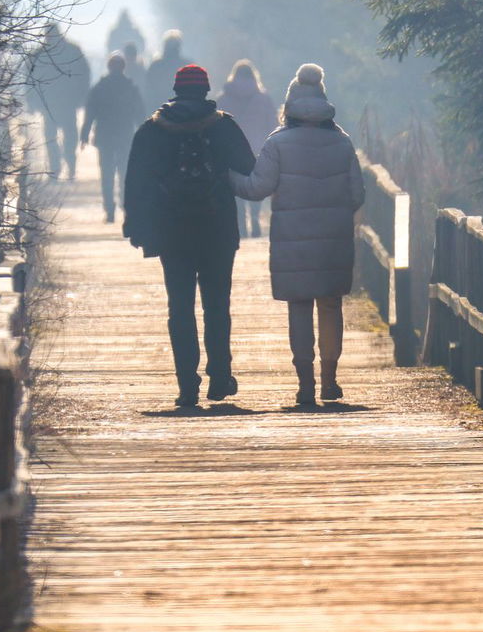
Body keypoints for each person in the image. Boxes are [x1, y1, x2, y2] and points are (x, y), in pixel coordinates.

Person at [229, 64, 364, 408]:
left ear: (288, 106)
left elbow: (257, 187)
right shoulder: (342, 141)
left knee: (300, 306)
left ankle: (305, 383)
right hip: (333, 239)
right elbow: (357, 194)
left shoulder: (278, 142)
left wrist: (226, 177)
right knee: (331, 305)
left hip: (293, 242)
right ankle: (330, 380)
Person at [124, 64, 256, 408]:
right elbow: (248, 165)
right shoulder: (223, 125)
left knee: (179, 307)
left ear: (176, 89)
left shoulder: (152, 130)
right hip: (217, 228)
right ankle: (219, 377)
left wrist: (135, 226)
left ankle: (187, 385)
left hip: (172, 230)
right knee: (217, 305)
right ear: (206, 89)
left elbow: (135, 180)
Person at [80, 52, 145, 223]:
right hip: (125, 136)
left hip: (105, 137)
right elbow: (140, 113)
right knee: (125, 174)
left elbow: (90, 112)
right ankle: (126, 207)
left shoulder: (100, 87)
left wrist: (84, 134)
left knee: (107, 175)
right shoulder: (131, 87)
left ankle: (109, 210)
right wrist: (144, 134)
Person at [216, 60, 279, 237]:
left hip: (231, 152)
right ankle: (255, 217)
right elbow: (273, 126)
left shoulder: (223, 99)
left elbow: (216, 127)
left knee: (235, 188)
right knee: (255, 186)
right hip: (258, 150)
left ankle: (241, 226)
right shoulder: (263, 99)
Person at [26, 23, 91, 179]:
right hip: (62, 103)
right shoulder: (72, 51)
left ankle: (60, 168)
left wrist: (32, 102)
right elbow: (84, 76)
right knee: (63, 138)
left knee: (55, 138)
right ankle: (65, 167)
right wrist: (82, 97)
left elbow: (30, 80)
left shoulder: (39, 54)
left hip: (54, 103)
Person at [143, 30, 193, 105]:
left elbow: (148, 89)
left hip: (160, 107)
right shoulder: (187, 65)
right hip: (182, 108)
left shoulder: (156, 65)